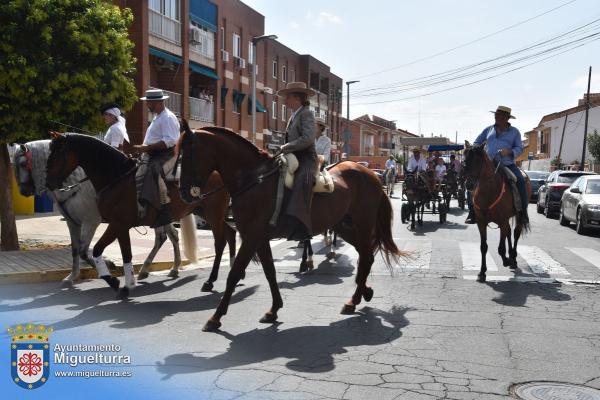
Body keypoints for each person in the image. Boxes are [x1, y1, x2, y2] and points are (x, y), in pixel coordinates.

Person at [132, 89, 180, 227]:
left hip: (168, 154)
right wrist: (145, 147)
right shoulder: (157, 116)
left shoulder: (168, 117)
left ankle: (164, 211)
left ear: (157, 102)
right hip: (155, 154)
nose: (147, 104)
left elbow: (170, 141)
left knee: (155, 173)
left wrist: (146, 148)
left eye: (148, 102)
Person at [473, 105, 528, 223]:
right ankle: (473, 211)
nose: (497, 118)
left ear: (507, 118)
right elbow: (476, 142)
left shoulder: (515, 132)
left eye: (500, 116)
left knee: (520, 180)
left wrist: (509, 151)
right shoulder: (488, 130)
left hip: (507, 164)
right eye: (496, 115)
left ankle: (523, 213)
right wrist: (478, 149)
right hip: (488, 164)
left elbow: (520, 148)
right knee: (472, 181)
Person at [278, 82, 318, 241]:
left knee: (303, 180)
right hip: (292, 155)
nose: (285, 100)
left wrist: (287, 146)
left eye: (288, 96)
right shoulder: (294, 115)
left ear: (297, 98)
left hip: (306, 157)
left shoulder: (306, 114)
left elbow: (308, 139)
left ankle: (301, 225)